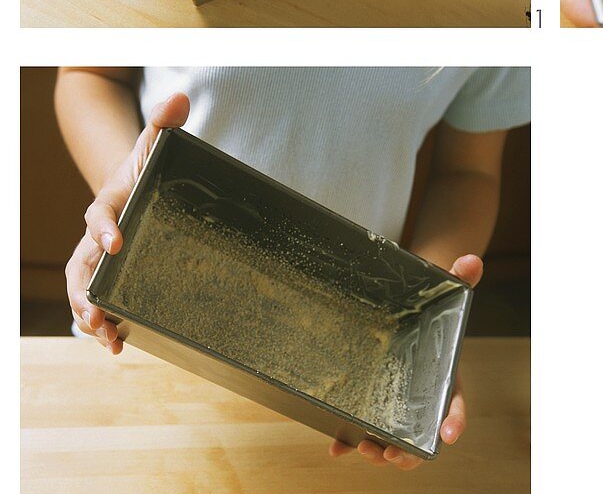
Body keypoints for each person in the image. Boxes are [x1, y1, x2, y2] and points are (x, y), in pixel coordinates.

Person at [58, 66, 530, 471]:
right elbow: (88, 75)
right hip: (138, 335)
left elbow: (468, 173)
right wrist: (123, 196)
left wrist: (428, 317)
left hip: (345, 370)